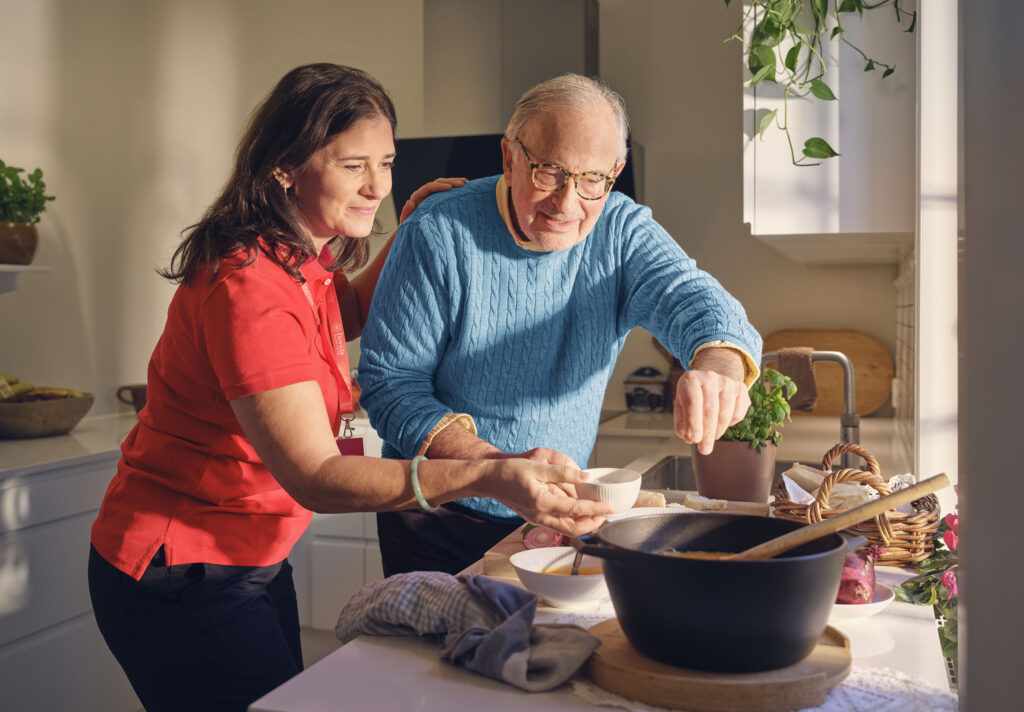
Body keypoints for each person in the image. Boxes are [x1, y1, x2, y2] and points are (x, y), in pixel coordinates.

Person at [87, 63, 612, 712]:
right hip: (182, 569)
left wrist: (411, 227)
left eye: (386, 163)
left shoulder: (300, 259)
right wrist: (487, 474)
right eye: (353, 165)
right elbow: (314, 474)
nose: (378, 185)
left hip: (249, 558)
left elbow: (342, 318)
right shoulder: (249, 286)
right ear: (285, 164)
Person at [358, 73, 764, 577]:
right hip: (435, 519)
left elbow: (698, 300)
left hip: (550, 522)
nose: (567, 203)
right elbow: (391, 387)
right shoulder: (436, 233)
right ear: (509, 158)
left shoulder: (621, 230)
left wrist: (718, 365)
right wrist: (496, 469)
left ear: (614, 172)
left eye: (593, 179)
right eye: (549, 172)